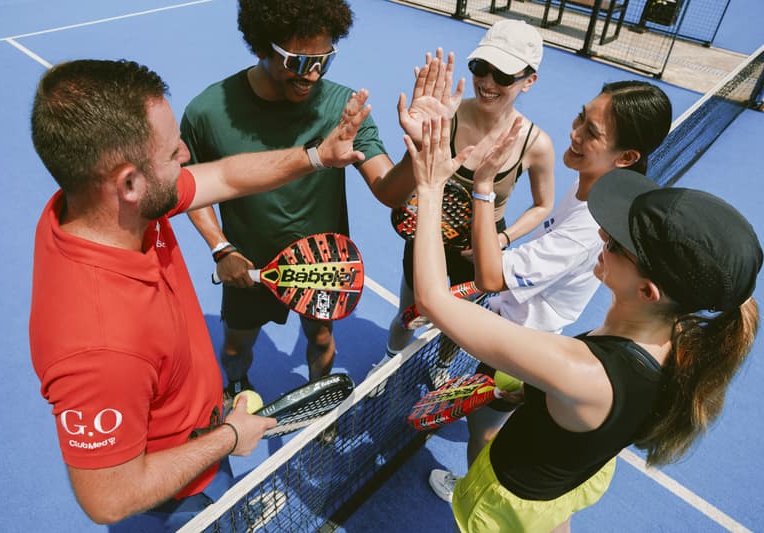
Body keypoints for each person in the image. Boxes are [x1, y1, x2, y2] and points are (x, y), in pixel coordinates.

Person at [28, 58, 372, 531]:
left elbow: (226, 177)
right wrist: (230, 437)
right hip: (173, 501)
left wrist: (316, 156)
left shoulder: (102, 210)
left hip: (205, 436)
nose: (187, 155)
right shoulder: (99, 346)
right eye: (172, 153)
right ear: (129, 184)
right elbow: (108, 499)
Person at [409, 116, 761, 532]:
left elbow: (432, 299)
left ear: (647, 292)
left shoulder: (580, 369)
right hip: (564, 485)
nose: (601, 233)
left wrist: (430, 189)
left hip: (507, 510)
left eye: (613, 241)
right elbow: (597, 416)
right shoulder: (678, 344)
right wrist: (533, 394)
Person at [428, 79, 674, 503]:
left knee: (483, 431)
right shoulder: (594, 189)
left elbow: (490, 276)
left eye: (592, 132)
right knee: (495, 423)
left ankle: (471, 494)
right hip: (525, 332)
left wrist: (484, 185)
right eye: (581, 116)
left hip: (523, 343)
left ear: (628, 157)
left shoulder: (588, 227)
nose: (574, 131)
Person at [182, 0, 426, 402]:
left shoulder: (343, 109)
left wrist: (417, 149)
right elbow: (190, 185)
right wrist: (220, 246)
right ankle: (237, 386)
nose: (312, 74)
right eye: (297, 61)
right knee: (233, 348)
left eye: (324, 60)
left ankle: (319, 396)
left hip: (324, 262)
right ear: (263, 47)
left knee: (322, 336)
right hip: (248, 263)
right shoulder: (208, 112)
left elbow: (389, 191)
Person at [385, 19, 556, 359]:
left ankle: (444, 365)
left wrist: (501, 241)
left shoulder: (536, 145)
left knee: (460, 326)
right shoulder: (442, 116)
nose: (488, 83)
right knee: (408, 315)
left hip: (480, 249)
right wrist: (418, 141)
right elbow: (405, 182)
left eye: (504, 75)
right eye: (481, 67)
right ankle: (388, 361)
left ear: (529, 81)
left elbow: (543, 205)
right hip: (426, 234)